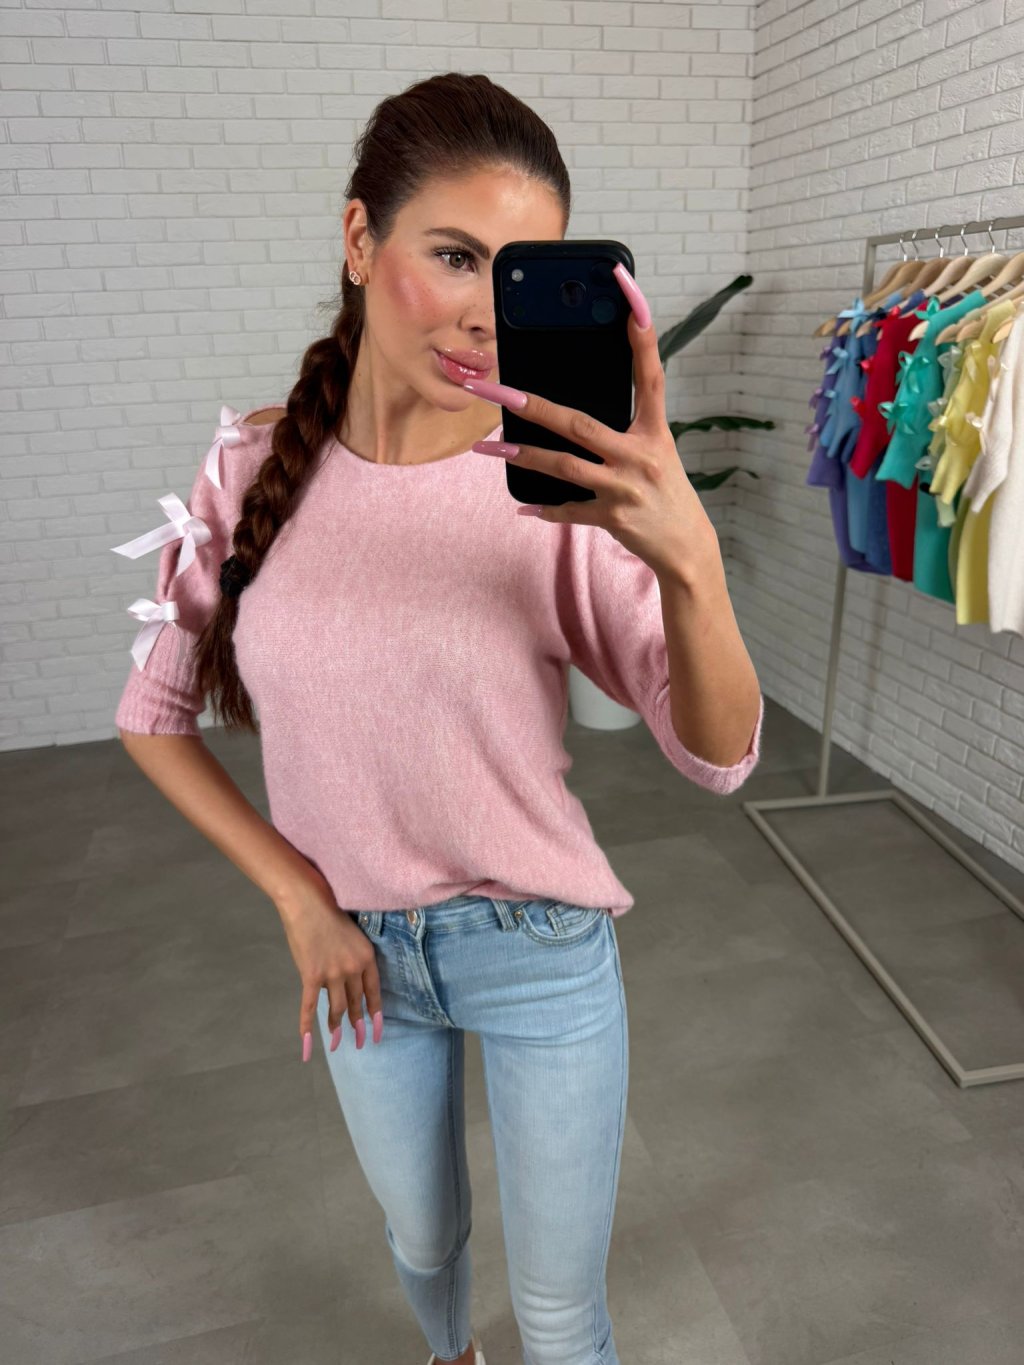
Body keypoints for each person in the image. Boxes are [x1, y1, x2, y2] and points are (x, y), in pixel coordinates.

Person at [114, 71, 763, 1365]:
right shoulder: (248, 468)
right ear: (360, 239)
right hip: (358, 951)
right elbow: (152, 714)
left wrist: (691, 560)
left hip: (539, 948)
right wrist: (299, 898)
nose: (481, 312)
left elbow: (720, 754)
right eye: (455, 255)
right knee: (422, 1244)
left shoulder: (556, 484)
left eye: (513, 274)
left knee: (564, 1319)